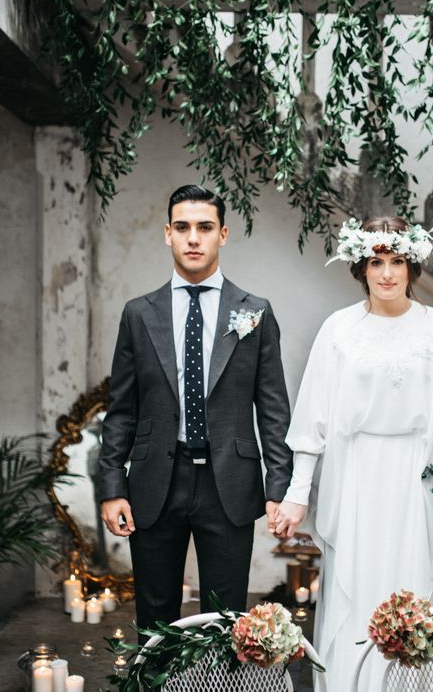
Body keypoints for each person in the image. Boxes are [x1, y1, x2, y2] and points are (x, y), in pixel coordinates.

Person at [274, 215, 433, 691]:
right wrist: (297, 493)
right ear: (360, 267)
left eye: (397, 261)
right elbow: (313, 422)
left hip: (418, 482)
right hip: (358, 479)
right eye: (376, 262)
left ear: (412, 267)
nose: (387, 273)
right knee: (358, 591)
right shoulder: (338, 329)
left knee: (415, 589)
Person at [97, 185, 293, 638]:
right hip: (153, 483)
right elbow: (121, 409)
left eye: (204, 228)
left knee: (225, 622)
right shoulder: (138, 314)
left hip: (229, 483)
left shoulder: (255, 312)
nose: (193, 238)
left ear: (222, 234)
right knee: (155, 615)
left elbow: (274, 408)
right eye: (182, 227)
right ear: (167, 234)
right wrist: (111, 485)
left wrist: (278, 486)